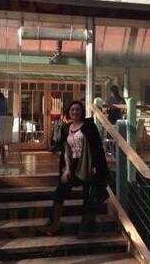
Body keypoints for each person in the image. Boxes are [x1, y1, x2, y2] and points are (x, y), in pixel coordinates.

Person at [38, 101, 109, 238]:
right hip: (73, 165)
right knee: (60, 191)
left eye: (77, 110)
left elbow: (97, 148)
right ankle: (53, 225)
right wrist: (66, 169)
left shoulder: (89, 126)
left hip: (87, 165)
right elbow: (66, 150)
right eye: (72, 110)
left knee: (88, 197)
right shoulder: (66, 128)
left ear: (82, 111)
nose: (75, 112)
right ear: (68, 112)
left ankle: (85, 229)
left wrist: (96, 166)